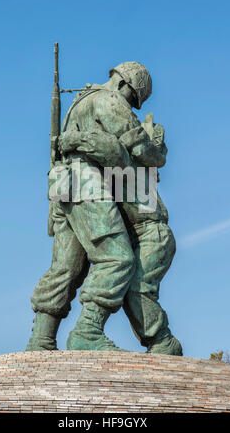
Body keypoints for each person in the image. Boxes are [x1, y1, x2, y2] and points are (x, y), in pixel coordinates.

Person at [26, 62, 182, 355]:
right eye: (132, 102)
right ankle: (87, 332)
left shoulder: (78, 102)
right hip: (87, 184)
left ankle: (41, 339)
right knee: (117, 259)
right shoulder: (108, 100)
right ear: (126, 86)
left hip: (63, 187)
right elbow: (135, 145)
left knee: (67, 267)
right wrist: (156, 155)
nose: (131, 108)